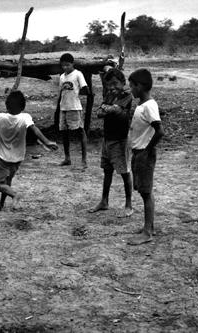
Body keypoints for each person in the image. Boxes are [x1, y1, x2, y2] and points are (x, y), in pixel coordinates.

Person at [0, 90, 58, 211]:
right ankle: (1, 203)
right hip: (18, 158)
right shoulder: (25, 117)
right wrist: (47, 142)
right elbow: (35, 130)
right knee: (7, 182)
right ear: (23, 107)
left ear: (6, 105)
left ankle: (15, 195)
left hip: (3, 157)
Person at [88, 68, 134, 218]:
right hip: (107, 138)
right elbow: (100, 111)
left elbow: (114, 110)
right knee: (107, 170)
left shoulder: (127, 96)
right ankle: (104, 201)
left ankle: (129, 204)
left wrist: (108, 109)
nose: (112, 87)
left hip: (120, 140)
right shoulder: (109, 95)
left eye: (115, 84)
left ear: (123, 83)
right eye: (109, 85)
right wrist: (107, 109)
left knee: (124, 172)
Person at [126, 69, 164, 245]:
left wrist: (147, 151)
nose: (130, 89)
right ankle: (149, 227)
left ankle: (148, 232)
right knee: (143, 191)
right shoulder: (143, 104)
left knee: (146, 192)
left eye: (132, 86)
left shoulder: (149, 106)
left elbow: (159, 131)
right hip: (139, 152)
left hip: (144, 154)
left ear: (140, 86)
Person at [57, 53, 90, 169]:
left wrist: (79, 94)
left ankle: (84, 160)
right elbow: (61, 92)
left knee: (80, 131)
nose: (65, 67)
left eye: (67, 65)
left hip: (74, 107)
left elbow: (85, 88)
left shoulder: (77, 74)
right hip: (64, 108)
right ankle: (67, 158)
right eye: (63, 66)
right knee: (64, 132)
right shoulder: (62, 77)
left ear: (72, 64)